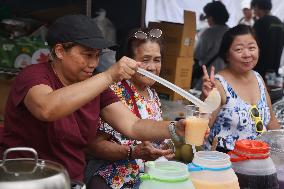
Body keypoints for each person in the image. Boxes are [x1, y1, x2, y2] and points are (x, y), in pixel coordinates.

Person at [0, 14, 186, 188]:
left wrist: (175, 128)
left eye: (97, 55)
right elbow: (47, 108)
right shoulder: (34, 76)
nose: (94, 63)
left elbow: (133, 125)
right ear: (59, 51)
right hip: (26, 179)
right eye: (88, 55)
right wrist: (109, 75)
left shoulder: (95, 85)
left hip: (71, 180)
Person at [85, 27, 175, 189]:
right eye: (145, 60)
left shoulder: (152, 94)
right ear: (128, 61)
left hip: (147, 172)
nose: (152, 67)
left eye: (157, 60)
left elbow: (157, 139)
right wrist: (133, 151)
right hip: (113, 176)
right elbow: (95, 146)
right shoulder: (114, 92)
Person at [201, 24, 280, 153]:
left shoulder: (258, 78)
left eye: (252, 48)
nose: (247, 54)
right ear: (227, 55)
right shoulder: (218, 84)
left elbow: (271, 121)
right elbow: (203, 127)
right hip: (224, 164)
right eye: (239, 49)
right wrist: (205, 98)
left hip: (258, 162)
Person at [192, 1, 229, 90]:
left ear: (211, 17)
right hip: (226, 79)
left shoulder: (208, 33)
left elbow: (197, 55)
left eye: (207, 17)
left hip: (207, 78)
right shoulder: (231, 32)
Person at [251, 0, 284, 78]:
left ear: (257, 7)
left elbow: (252, 43)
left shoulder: (260, 23)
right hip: (275, 66)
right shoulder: (280, 22)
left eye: (254, 8)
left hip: (260, 67)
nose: (254, 11)